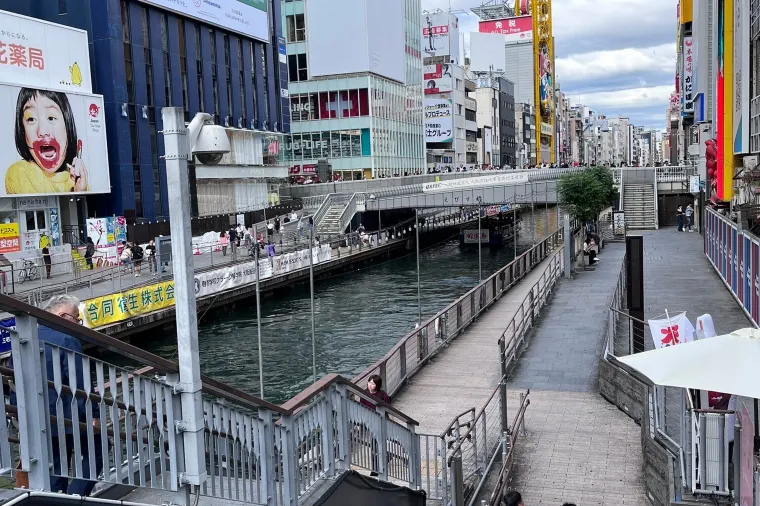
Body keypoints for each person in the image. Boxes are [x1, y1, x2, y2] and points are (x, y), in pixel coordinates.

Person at [11, 295, 104, 495]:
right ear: (62, 315)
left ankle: (57, 498)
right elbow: (79, 383)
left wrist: (19, 412)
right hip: (68, 417)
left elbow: (14, 382)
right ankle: (75, 496)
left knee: (55, 465)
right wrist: (93, 415)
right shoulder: (67, 339)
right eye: (76, 318)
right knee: (98, 450)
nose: (78, 324)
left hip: (37, 418)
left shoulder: (23, 339)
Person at [6, 88, 89, 194]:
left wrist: (80, 192)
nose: (42, 131)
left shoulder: (79, 182)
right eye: (31, 119)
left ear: (67, 125)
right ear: (22, 130)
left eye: (51, 118)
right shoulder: (19, 173)